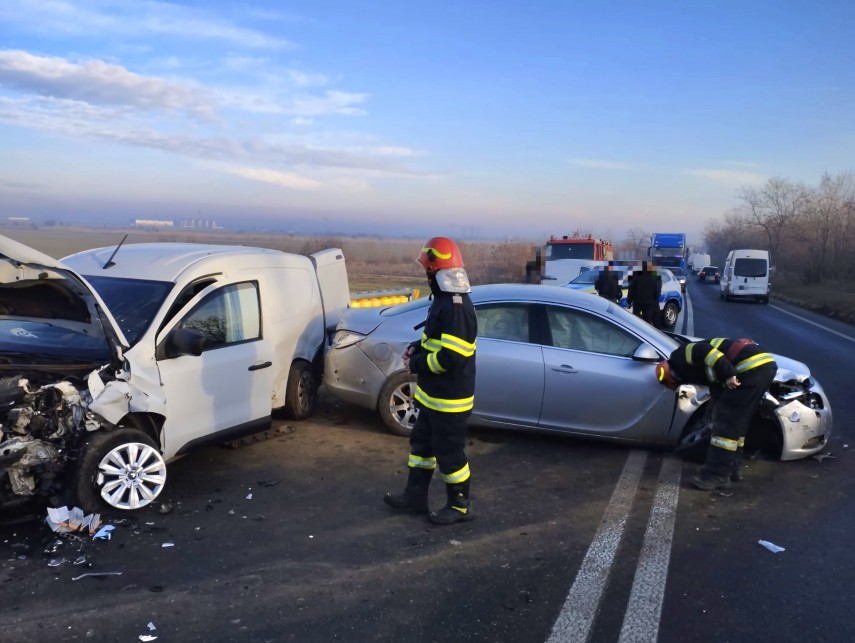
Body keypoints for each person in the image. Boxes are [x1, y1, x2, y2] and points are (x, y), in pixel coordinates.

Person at [383, 237, 478, 525]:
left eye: (428, 270)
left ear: (437, 271)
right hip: (431, 395)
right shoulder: (444, 300)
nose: (425, 275)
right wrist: (417, 346)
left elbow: (451, 357)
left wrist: (416, 363)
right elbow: (436, 339)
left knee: (449, 453)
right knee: (422, 446)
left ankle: (460, 507)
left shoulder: (456, 306)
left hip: (450, 399)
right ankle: (415, 497)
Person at [655, 338, 777, 490]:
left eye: (678, 381)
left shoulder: (680, 355)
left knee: (725, 424)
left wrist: (729, 374)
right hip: (762, 367)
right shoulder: (690, 370)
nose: (683, 382)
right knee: (738, 422)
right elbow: (715, 382)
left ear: (673, 373)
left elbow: (707, 352)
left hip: (750, 367)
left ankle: (716, 475)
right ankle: (732, 468)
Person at [627, 261, 661, 327]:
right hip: (649, 302)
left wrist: (629, 300)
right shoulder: (654, 273)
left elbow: (631, 288)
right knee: (647, 321)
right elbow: (658, 288)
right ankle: (645, 335)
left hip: (637, 301)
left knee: (635, 320)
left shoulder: (635, 273)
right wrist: (655, 299)